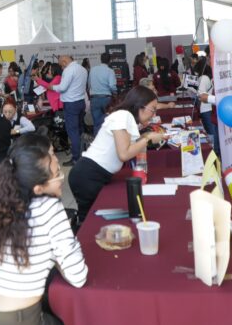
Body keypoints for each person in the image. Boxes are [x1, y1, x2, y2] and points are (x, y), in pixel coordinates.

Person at [0, 135, 87, 325]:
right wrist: (66, 249)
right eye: (57, 175)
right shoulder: (49, 208)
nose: (61, 177)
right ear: (38, 188)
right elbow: (78, 276)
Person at [68, 86, 163, 223]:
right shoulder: (123, 116)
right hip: (88, 175)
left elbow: (130, 149)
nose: (153, 114)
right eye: (152, 109)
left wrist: (146, 137)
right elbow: (124, 154)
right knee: (90, 221)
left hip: (93, 174)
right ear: (140, 105)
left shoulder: (126, 117)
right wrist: (147, 139)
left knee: (93, 219)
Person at [50, 55, 88, 165]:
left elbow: (62, 87)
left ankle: (76, 158)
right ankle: (83, 154)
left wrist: (51, 87)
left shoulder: (69, 70)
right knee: (80, 130)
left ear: (64, 61)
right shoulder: (82, 69)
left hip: (71, 104)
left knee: (73, 132)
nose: (61, 67)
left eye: (61, 65)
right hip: (81, 102)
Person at [88, 52, 118, 136]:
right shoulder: (110, 71)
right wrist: (115, 93)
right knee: (108, 122)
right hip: (106, 99)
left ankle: (97, 143)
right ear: (110, 61)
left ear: (101, 59)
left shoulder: (93, 69)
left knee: (96, 123)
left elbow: (89, 84)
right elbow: (112, 86)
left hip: (94, 99)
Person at [193, 59, 218, 149]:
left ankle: (213, 150)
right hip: (209, 107)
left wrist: (192, 90)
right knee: (211, 130)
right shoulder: (207, 77)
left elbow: (201, 94)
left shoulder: (203, 78)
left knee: (210, 131)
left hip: (206, 107)